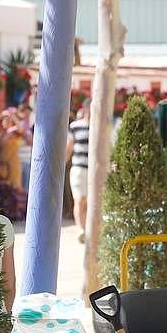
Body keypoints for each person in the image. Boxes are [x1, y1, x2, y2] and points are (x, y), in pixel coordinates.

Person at [67, 104, 91, 243]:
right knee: (79, 200)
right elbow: (69, 147)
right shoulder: (75, 126)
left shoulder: (99, 127)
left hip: (93, 171)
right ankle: (81, 229)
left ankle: (87, 230)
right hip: (78, 168)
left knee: (88, 201)